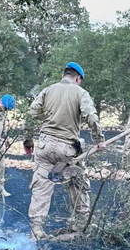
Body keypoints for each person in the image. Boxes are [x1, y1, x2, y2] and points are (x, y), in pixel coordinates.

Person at [27, 62, 105, 240]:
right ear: (77, 78)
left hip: (44, 146)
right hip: (67, 149)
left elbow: (31, 114)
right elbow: (91, 117)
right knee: (78, 184)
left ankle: (36, 230)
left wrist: (28, 140)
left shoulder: (47, 91)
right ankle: (81, 225)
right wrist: (100, 140)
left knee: (41, 186)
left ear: (64, 75)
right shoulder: (80, 92)